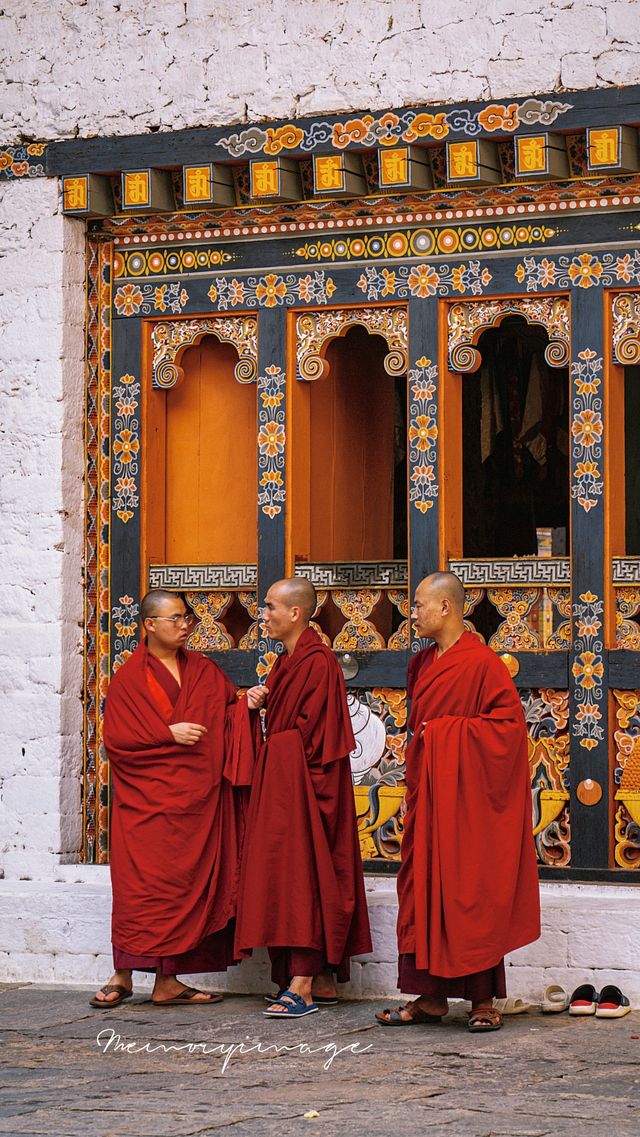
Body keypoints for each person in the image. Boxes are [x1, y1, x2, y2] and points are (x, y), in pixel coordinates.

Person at [376, 571, 540, 1032]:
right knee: (423, 888)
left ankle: (483, 1000)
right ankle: (428, 997)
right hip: (429, 796)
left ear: (446, 608)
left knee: (471, 890)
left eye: (419, 606)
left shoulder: (483, 664)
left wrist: (446, 734)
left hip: (467, 804)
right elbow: (417, 730)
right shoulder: (421, 664)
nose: (413, 615)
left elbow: (507, 731)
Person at [90, 589, 259, 1008]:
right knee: (139, 889)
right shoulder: (129, 679)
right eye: (176, 619)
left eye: (188, 619)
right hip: (147, 805)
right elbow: (117, 741)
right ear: (150, 625)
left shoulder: (203, 669)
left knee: (182, 887)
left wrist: (246, 708)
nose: (185, 626)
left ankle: (168, 981)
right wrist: (168, 733)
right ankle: (122, 973)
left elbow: (225, 716)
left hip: (196, 805)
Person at [235, 577, 372, 1018]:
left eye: (272, 607)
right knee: (291, 874)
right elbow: (284, 724)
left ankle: (304, 985)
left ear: (296, 613)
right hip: (287, 785)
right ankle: (322, 980)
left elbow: (314, 738)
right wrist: (258, 704)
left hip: (310, 787)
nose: (264, 615)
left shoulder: (318, 662)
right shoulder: (286, 662)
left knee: (307, 874)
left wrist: (278, 743)